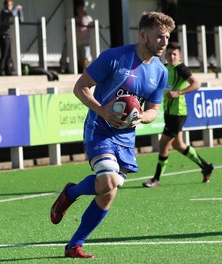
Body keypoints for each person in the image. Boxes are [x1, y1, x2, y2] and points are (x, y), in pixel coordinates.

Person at [50, 11, 175, 259]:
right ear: (143, 35)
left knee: (109, 191)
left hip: (126, 138)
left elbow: (153, 111)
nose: (164, 42)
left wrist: (141, 117)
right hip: (100, 129)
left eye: (167, 37)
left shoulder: (160, 71)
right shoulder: (114, 58)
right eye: (159, 37)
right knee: (108, 182)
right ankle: (72, 196)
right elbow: (80, 87)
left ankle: (73, 241)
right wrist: (102, 110)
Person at [142, 42, 214, 188]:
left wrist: (178, 92)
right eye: (169, 53)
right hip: (169, 112)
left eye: (175, 54)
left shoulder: (181, 68)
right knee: (178, 145)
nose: (172, 56)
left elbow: (196, 84)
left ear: (180, 56)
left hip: (178, 113)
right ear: (165, 55)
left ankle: (156, 179)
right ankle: (206, 166)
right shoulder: (164, 68)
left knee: (163, 143)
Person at [0, 0, 23, 76]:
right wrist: (16, 8)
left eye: (11, 5)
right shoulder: (4, 12)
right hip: (3, 36)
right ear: (5, 5)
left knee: (9, 54)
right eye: (8, 5)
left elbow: (21, 20)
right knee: (4, 53)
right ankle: (0, 70)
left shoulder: (12, 12)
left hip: (9, 36)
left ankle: (8, 69)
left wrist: (20, 12)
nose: (9, 6)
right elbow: (12, 14)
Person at [75, 3, 93, 72]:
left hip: (86, 41)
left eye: (81, 9)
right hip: (77, 41)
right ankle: (84, 70)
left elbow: (92, 27)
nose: (80, 10)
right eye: (79, 9)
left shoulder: (88, 18)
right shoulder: (75, 19)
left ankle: (85, 71)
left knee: (85, 57)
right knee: (80, 58)